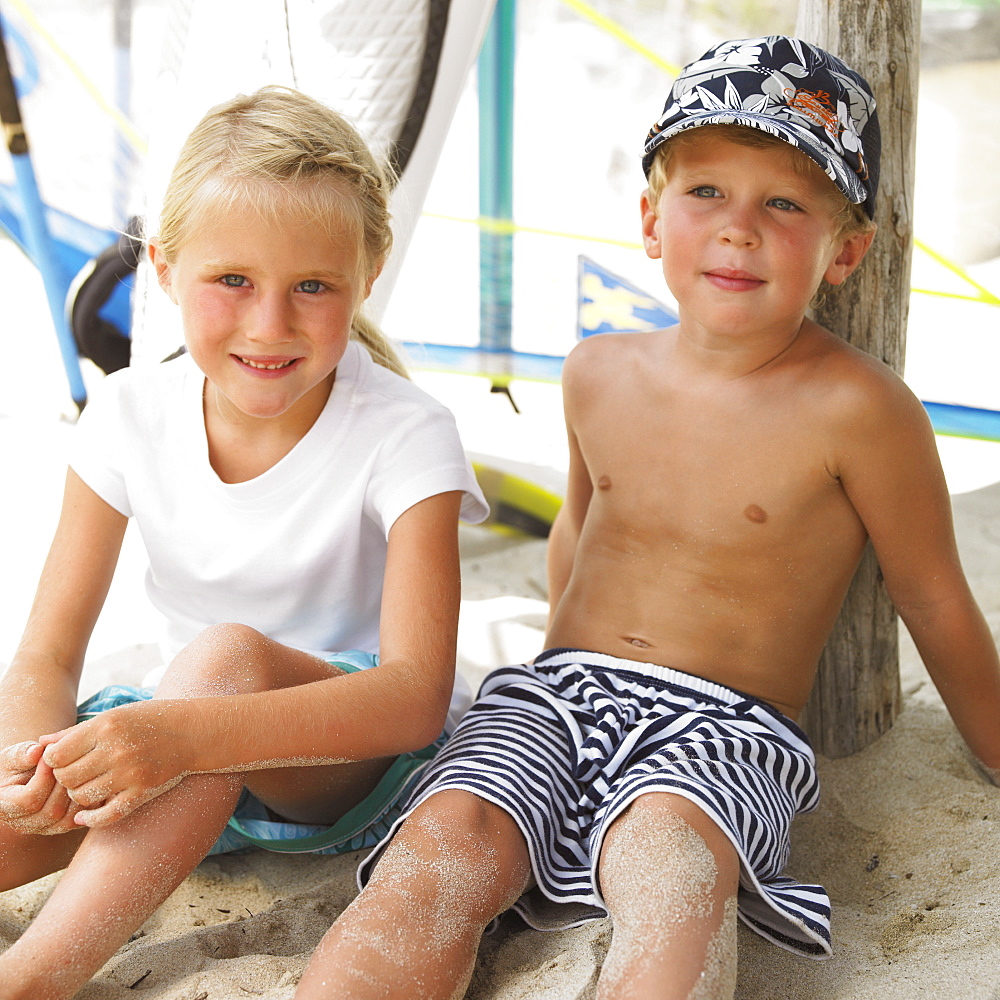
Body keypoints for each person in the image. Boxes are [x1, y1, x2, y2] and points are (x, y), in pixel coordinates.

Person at [292, 36, 1000, 1000]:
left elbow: (936, 600)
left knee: (672, 865)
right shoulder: (598, 370)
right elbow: (579, 542)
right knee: (444, 848)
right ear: (651, 221)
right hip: (557, 691)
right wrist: (548, 681)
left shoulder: (861, 410)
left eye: (784, 205)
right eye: (706, 192)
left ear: (847, 252)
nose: (738, 230)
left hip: (725, 727)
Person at [0, 85, 487, 998]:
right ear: (163, 267)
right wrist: (27, 764)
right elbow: (47, 651)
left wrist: (183, 735)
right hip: (172, 737)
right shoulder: (125, 414)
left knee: (222, 658)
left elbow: (416, 698)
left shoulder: (406, 431)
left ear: (367, 274)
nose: (271, 325)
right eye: (233, 281)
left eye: (313, 286)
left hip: (344, 761)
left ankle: (28, 980)